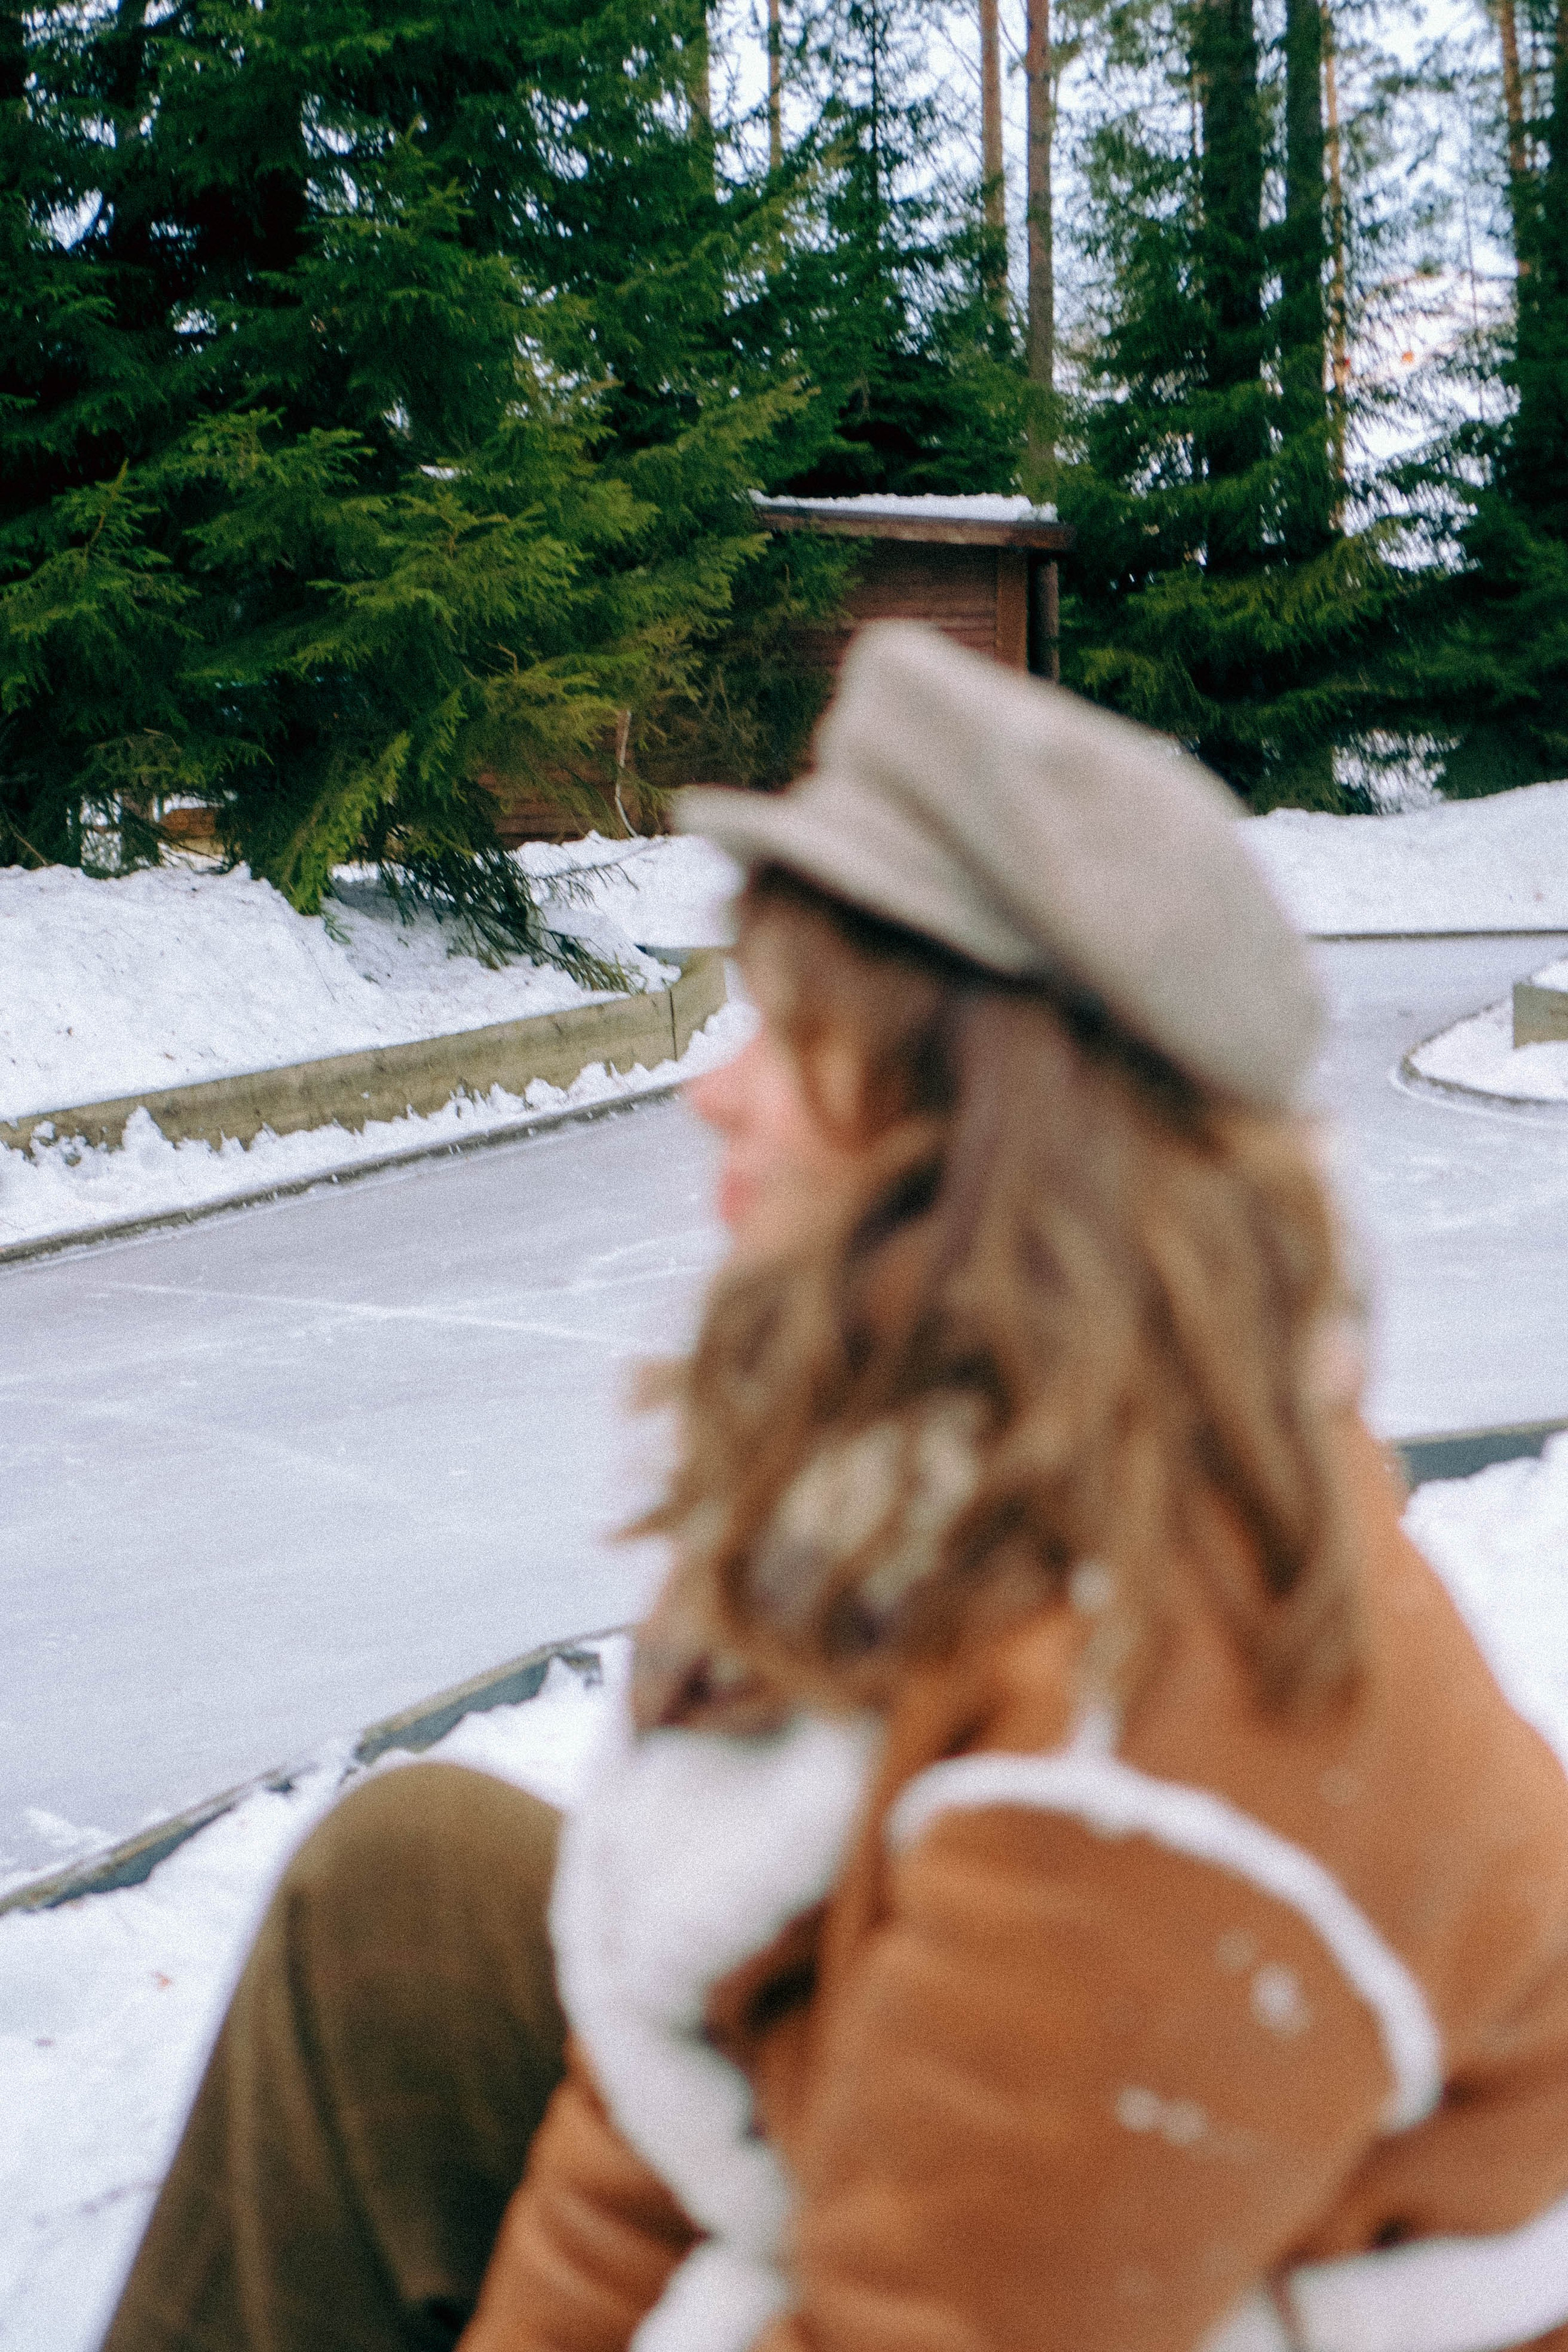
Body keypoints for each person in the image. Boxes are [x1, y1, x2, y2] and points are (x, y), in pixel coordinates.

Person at [105, 624, 1568, 2352]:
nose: (712, 1096)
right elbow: (661, 2088)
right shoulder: (943, 1464)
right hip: (930, 2196)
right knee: (408, 1894)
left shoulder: (1171, 1751)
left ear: (980, 1133)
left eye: (785, 1038)